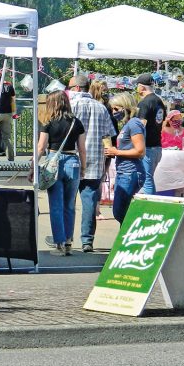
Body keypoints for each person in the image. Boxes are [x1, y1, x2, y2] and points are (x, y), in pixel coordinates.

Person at [67, 74, 115, 253]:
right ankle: (87, 241)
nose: (69, 91)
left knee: (68, 202)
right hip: (95, 160)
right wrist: (107, 160)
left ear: (77, 88)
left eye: (70, 87)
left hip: (72, 159)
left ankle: (67, 239)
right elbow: (108, 135)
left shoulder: (70, 106)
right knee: (89, 202)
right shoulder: (101, 107)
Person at [37, 90, 86, 256]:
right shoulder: (76, 122)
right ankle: (68, 242)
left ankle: (59, 244)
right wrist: (84, 168)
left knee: (55, 205)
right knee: (70, 205)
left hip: (53, 163)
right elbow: (82, 149)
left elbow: (41, 147)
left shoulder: (49, 123)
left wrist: (33, 167)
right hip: (73, 162)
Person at [104, 92, 146, 224]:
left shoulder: (134, 124)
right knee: (121, 211)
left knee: (120, 211)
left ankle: (134, 235)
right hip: (124, 172)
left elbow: (140, 151)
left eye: (116, 108)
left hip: (131, 172)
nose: (114, 112)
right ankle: (127, 239)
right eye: (112, 109)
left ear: (126, 107)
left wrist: (117, 152)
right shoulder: (128, 125)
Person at [134, 72, 166, 195]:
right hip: (157, 146)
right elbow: (162, 122)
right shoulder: (159, 101)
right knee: (147, 178)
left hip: (147, 148)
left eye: (137, 86)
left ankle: (150, 207)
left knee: (147, 180)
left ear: (142, 87)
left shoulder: (144, 103)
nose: (137, 89)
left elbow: (140, 125)